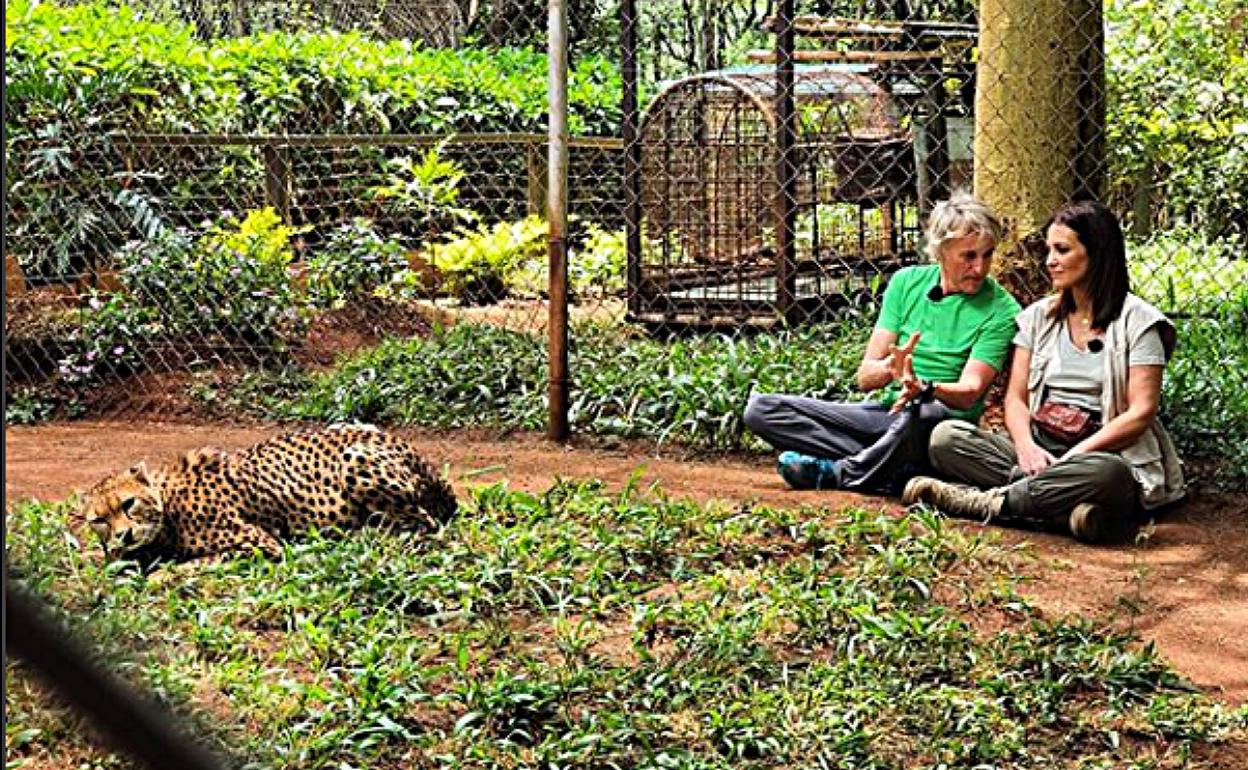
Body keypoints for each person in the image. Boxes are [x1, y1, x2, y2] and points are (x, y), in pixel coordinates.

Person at [902, 201, 1185, 542]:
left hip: (1103, 452)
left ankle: (988, 503)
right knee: (946, 438)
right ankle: (1063, 513)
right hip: (1041, 447)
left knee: (1109, 474)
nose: (1050, 260)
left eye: (1062, 250)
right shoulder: (1038, 317)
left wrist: (1076, 455)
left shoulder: (1140, 323)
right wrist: (1025, 447)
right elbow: (1016, 398)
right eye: (1049, 249)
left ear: (1097, 252)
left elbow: (1140, 413)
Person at [743, 192, 1022, 494]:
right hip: (885, 413)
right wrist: (891, 367)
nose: (980, 268)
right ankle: (890, 466)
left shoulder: (1002, 309)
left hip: (936, 423)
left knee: (924, 411)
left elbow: (969, 394)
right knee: (761, 410)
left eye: (988, 255)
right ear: (941, 251)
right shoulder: (905, 283)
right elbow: (865, 377)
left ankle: (841, 473)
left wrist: (925, 388)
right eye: (968, 256)